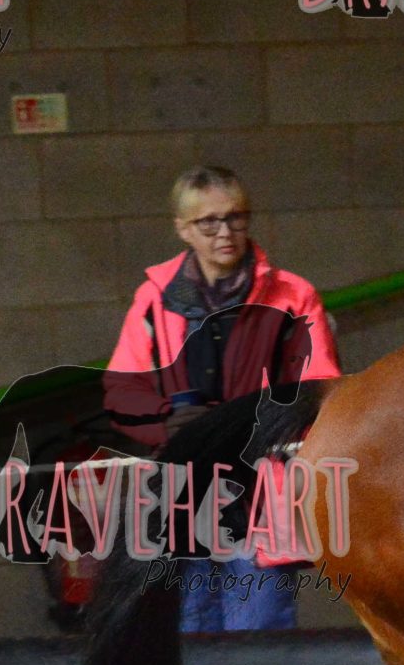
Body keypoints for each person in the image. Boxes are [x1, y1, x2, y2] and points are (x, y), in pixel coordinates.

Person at [108, 165, 341, 633]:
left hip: (262, 493)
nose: (225, 232)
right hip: (180, 495)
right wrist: (161, 423)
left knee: (259, 635)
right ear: (183, 229)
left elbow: (320, 385)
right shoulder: (153, 299)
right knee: (187, 637)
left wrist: (256, 423)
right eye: (208, 222)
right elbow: (123, 390)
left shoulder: (293, 296)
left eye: (236, 217)